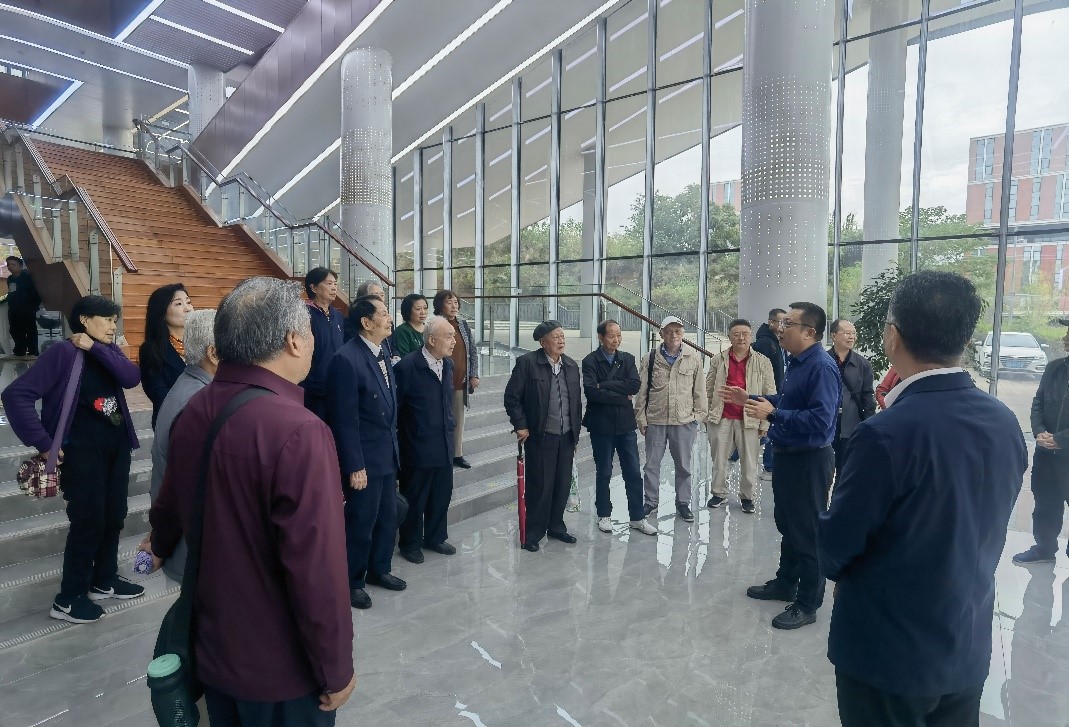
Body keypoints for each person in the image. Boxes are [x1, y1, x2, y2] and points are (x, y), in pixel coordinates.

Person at [819, 271, 1026, 726]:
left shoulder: (885, 433)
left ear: (893, 336)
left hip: (889, 656)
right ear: (965, 339)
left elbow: (837, 546)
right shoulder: (1003, 420)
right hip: (965, 644)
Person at [146, 278, 355, 722]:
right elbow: (316, 567)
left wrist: (160, 542)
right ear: (294, 341)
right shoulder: (299, 431)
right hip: (279, 670)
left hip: (213, 648)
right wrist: (335, 667)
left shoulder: (194, 406)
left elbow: (170, 498)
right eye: (310, 334)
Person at [3, 295, 142, 624]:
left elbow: (131, 378)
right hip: (80, 452)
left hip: (115, 448)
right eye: (106, 319)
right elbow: (15, 394)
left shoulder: (107, 350)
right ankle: (68, 598)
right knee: (88, 521)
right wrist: (43, 443)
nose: (113, 326)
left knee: (114, 515)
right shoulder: (62, 353)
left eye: (115, 320)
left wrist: (96, 349)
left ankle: (104, 580)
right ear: (84, 320)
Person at [721, 302, 840, 630]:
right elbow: (788, 401)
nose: (780, 328)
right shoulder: (797, 362)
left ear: (809, 332)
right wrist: (750, 399)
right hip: (789, 456)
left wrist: (772, 415)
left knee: (807, 532)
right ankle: (786, 582)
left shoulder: (821, 367)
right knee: (788, 525)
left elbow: (821, 419)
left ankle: (808, 603)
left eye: (789, 323)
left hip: (809, 460)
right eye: (781, 323)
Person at [327, 294, 406, 610]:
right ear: (366, 322)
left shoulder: (382, 350)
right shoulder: (346, 359)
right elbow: (344, 420)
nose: (389, 318)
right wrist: (354, 465)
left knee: (387, 517)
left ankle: (379, 568)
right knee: (361, 522)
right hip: (364, 459)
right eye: (383, 313)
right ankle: (352, 582)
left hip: (386, 453)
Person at [145, 309, 218, 583]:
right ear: (214, 353)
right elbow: (181, 485)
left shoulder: (191, 387)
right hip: (193, 545)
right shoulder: (200, 403)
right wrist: (159, 540)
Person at [504, 320, 582, 552]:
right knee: (540, 486)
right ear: (543, 342)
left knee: (561, 484)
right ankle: (533, 533)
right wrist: (521, 425)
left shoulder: (570, 365)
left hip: (566, 436)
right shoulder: (528, 363)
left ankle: (556, 526)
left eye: (562, 336)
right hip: (541, 435)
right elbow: (512, 398)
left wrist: (575, 434)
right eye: (555, 337)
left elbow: (576, 403)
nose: (561, 341)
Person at [581, 320, 656, 536]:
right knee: (604, 471)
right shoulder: (590, 361)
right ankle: (604, 514)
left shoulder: (627, 359)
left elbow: (634, 385)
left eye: (619, 335)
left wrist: (604, 385)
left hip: (625, 425)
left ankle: (637, 517)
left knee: (633, 472)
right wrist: (621, 396)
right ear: (601, 337)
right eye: (611, 335)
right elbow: (591, 393)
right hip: (601, 425)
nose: (616, 340)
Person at [394, 314, 458, 563]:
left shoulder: (448, 365)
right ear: (431, 340)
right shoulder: (408, 367)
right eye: (448, 336)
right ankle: (410, 543)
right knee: (415, 497)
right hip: (417, 446)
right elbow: (396, 409)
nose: (453, 341)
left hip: (443, 443)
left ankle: (435, 537)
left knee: (441, 494)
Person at [634, 316, 708, 524]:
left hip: (684, 421)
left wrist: (697, 417)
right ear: (661, 334)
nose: (673, 335)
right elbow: (642, 392)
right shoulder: (650, 358)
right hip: (655, 420)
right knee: (651, 465)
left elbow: (700, 391)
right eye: (668, 331)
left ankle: (683, 503)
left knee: (683, 466)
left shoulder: (693, 357)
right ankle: (650, 501)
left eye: (677, 331)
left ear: (683, 333)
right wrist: (641, 418)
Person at [1013, 317, 1069, 565]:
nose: (1065, 338)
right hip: (1046, 453)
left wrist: (1061, 439)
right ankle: (1044, 548)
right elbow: (1038, 401)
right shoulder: (1055, 368)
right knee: (1045, 503)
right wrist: (1039, 432)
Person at [705, 319, 776, 514]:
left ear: (751, 336)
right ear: (729, 337)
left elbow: (769, 393)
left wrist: (765, 422)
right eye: (736, 334)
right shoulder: (718, 360)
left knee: (750, 462)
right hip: (722, 417)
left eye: (745, 334)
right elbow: (708, 389)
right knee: (719, 460)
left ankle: (747, 497)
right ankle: (719, 493)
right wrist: (707, 416)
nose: (741, 338)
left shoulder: (763, 361)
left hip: (750, 417)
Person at [433, 290, 479, 469]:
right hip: (438, 381)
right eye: (449, 302)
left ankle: (457, 454)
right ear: (440, 305)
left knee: (458, 419)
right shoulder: (435, 324)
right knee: (440, 418)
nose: (454, 306)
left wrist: (474, 374)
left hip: (460, 380)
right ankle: (441, 453)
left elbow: (472, 351)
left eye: (456, 302)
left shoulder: (463, 325)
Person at [139, 283, 194, 428]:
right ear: (162, 313)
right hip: (174, 424)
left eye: (188, 302)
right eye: (178, 304)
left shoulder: (204, 343)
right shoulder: (151, 350)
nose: (187, 308)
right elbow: (158, 394)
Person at [827, 319, 876, 480]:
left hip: (850, 425)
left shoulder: (863, 364)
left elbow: (868, 397)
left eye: (854, 333)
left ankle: (838, 497)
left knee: (845, 473)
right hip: (825, 424)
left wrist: (869, 425)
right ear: (833, 335)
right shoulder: (822, 361)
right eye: (847, 333)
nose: (852, 337)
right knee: (823, 472)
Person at [301, 267, 344, 421]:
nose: (334, 288)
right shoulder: (303, 314)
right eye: (329, 283)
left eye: (335, 284)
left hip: (337, 386)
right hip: (313, 389)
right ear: (313, 287)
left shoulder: (337, 316)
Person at [751, 308, 787, 476]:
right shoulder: (765, 343)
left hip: (777, 392)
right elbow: (759, 372)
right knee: (766, 432)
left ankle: (769, 466)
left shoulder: (779, 341)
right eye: (781, 322)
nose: (783, 326)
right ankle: (734, 456)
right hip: (768, 393)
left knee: (769, 431)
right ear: (771, 322)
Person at [6, 256, 41, 357]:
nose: (10, 267)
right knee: (15, 330)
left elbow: (36, 294)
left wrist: (34, 307)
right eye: (9, 265)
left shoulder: (28, 278)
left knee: (30, 330)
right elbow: (11, 292)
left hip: (27, 309)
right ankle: (20, 350)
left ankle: (33, 351)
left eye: (13, 264)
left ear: (20, 266)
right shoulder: (10, 279)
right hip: (13, 309)